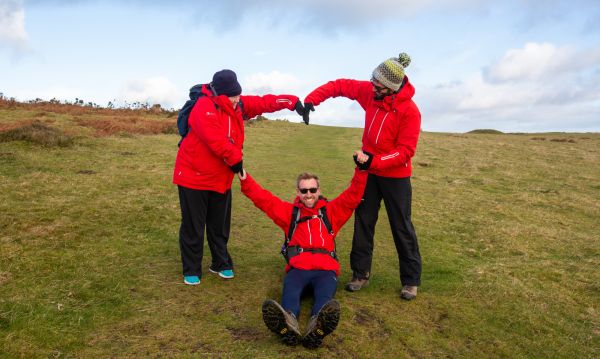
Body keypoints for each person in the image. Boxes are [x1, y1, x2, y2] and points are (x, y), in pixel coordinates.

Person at [303, 52, 422, 300]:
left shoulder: (409, 111)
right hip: (368, 174)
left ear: (391, 89)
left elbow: (406, 151)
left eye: (378, 86)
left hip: (395, 177)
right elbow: (339, 86)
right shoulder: (370, 92)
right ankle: (360, 273)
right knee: (364, 221)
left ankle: (410, 281)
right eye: (373, 81)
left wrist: (374, 161)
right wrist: (313, 99)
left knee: (401, 226)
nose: (372, 88)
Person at [173, 69, 306, 285]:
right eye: (233, 96)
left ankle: (220, 263)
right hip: (192, 176)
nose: (237, 99)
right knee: (193, 226)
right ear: (219, 94)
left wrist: (292, 102)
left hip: (220, 178)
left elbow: (264, 103)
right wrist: (236, 159)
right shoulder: (203, 106)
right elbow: (215, 139)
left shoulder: (237, 104)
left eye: (238, 94)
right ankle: (191, 269)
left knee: (219, 225)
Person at [237, 164, 367, 348]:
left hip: (325, 270)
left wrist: (361, 170)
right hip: (298, 269)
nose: (308, 194)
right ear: (298, 192)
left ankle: (317, 327)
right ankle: (288, 323)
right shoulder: (290, 214)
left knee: (324, 298)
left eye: (312, 190)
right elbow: (264, 199)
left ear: (318, 190)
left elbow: (352, 195)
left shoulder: (331, 212)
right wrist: (244, 177)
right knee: (291, 291)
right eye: (304, 190)